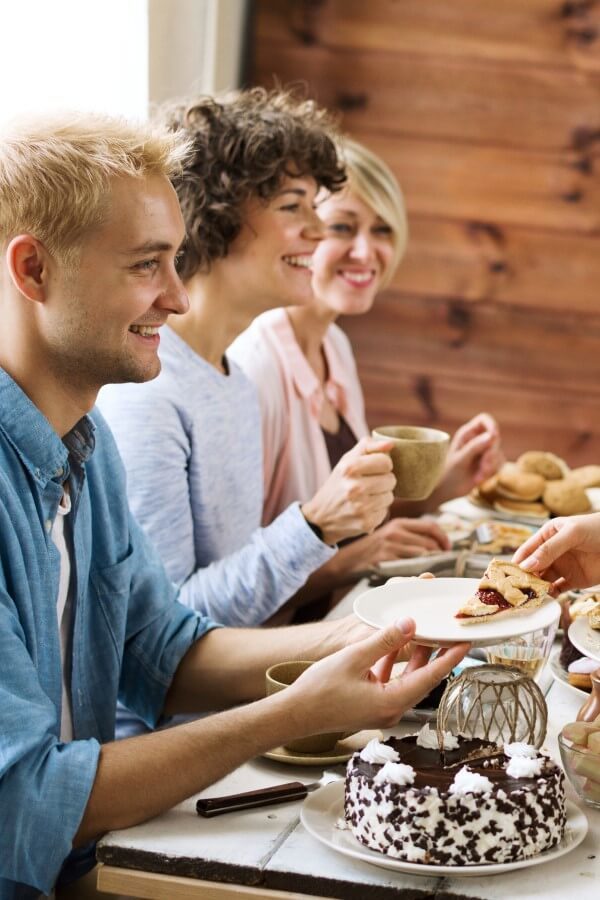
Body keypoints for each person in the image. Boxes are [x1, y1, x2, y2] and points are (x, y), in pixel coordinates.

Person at [0, 111, 468, 899]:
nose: (178, 299)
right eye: (148, 265)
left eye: (177, 262)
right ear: (34, 270)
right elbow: (24, 802)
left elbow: (168, 652)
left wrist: (394, 630)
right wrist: (285, 714)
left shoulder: (86, 444)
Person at [99, 90, 411, 640]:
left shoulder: (230, 380)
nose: (318, 230)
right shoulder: (148, 391)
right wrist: (316, 525)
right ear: (216, 217)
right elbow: (160, 634)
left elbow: (233, 596)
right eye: (294, 207)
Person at [229, 137, 504, 595]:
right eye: (342, 228)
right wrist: (358, 560)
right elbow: (238, 588)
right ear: (302, 233)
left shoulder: (334, 345)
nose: (366, 251)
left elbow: (349, 527)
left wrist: (442, 486)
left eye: (382, 230)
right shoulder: (253, 365)